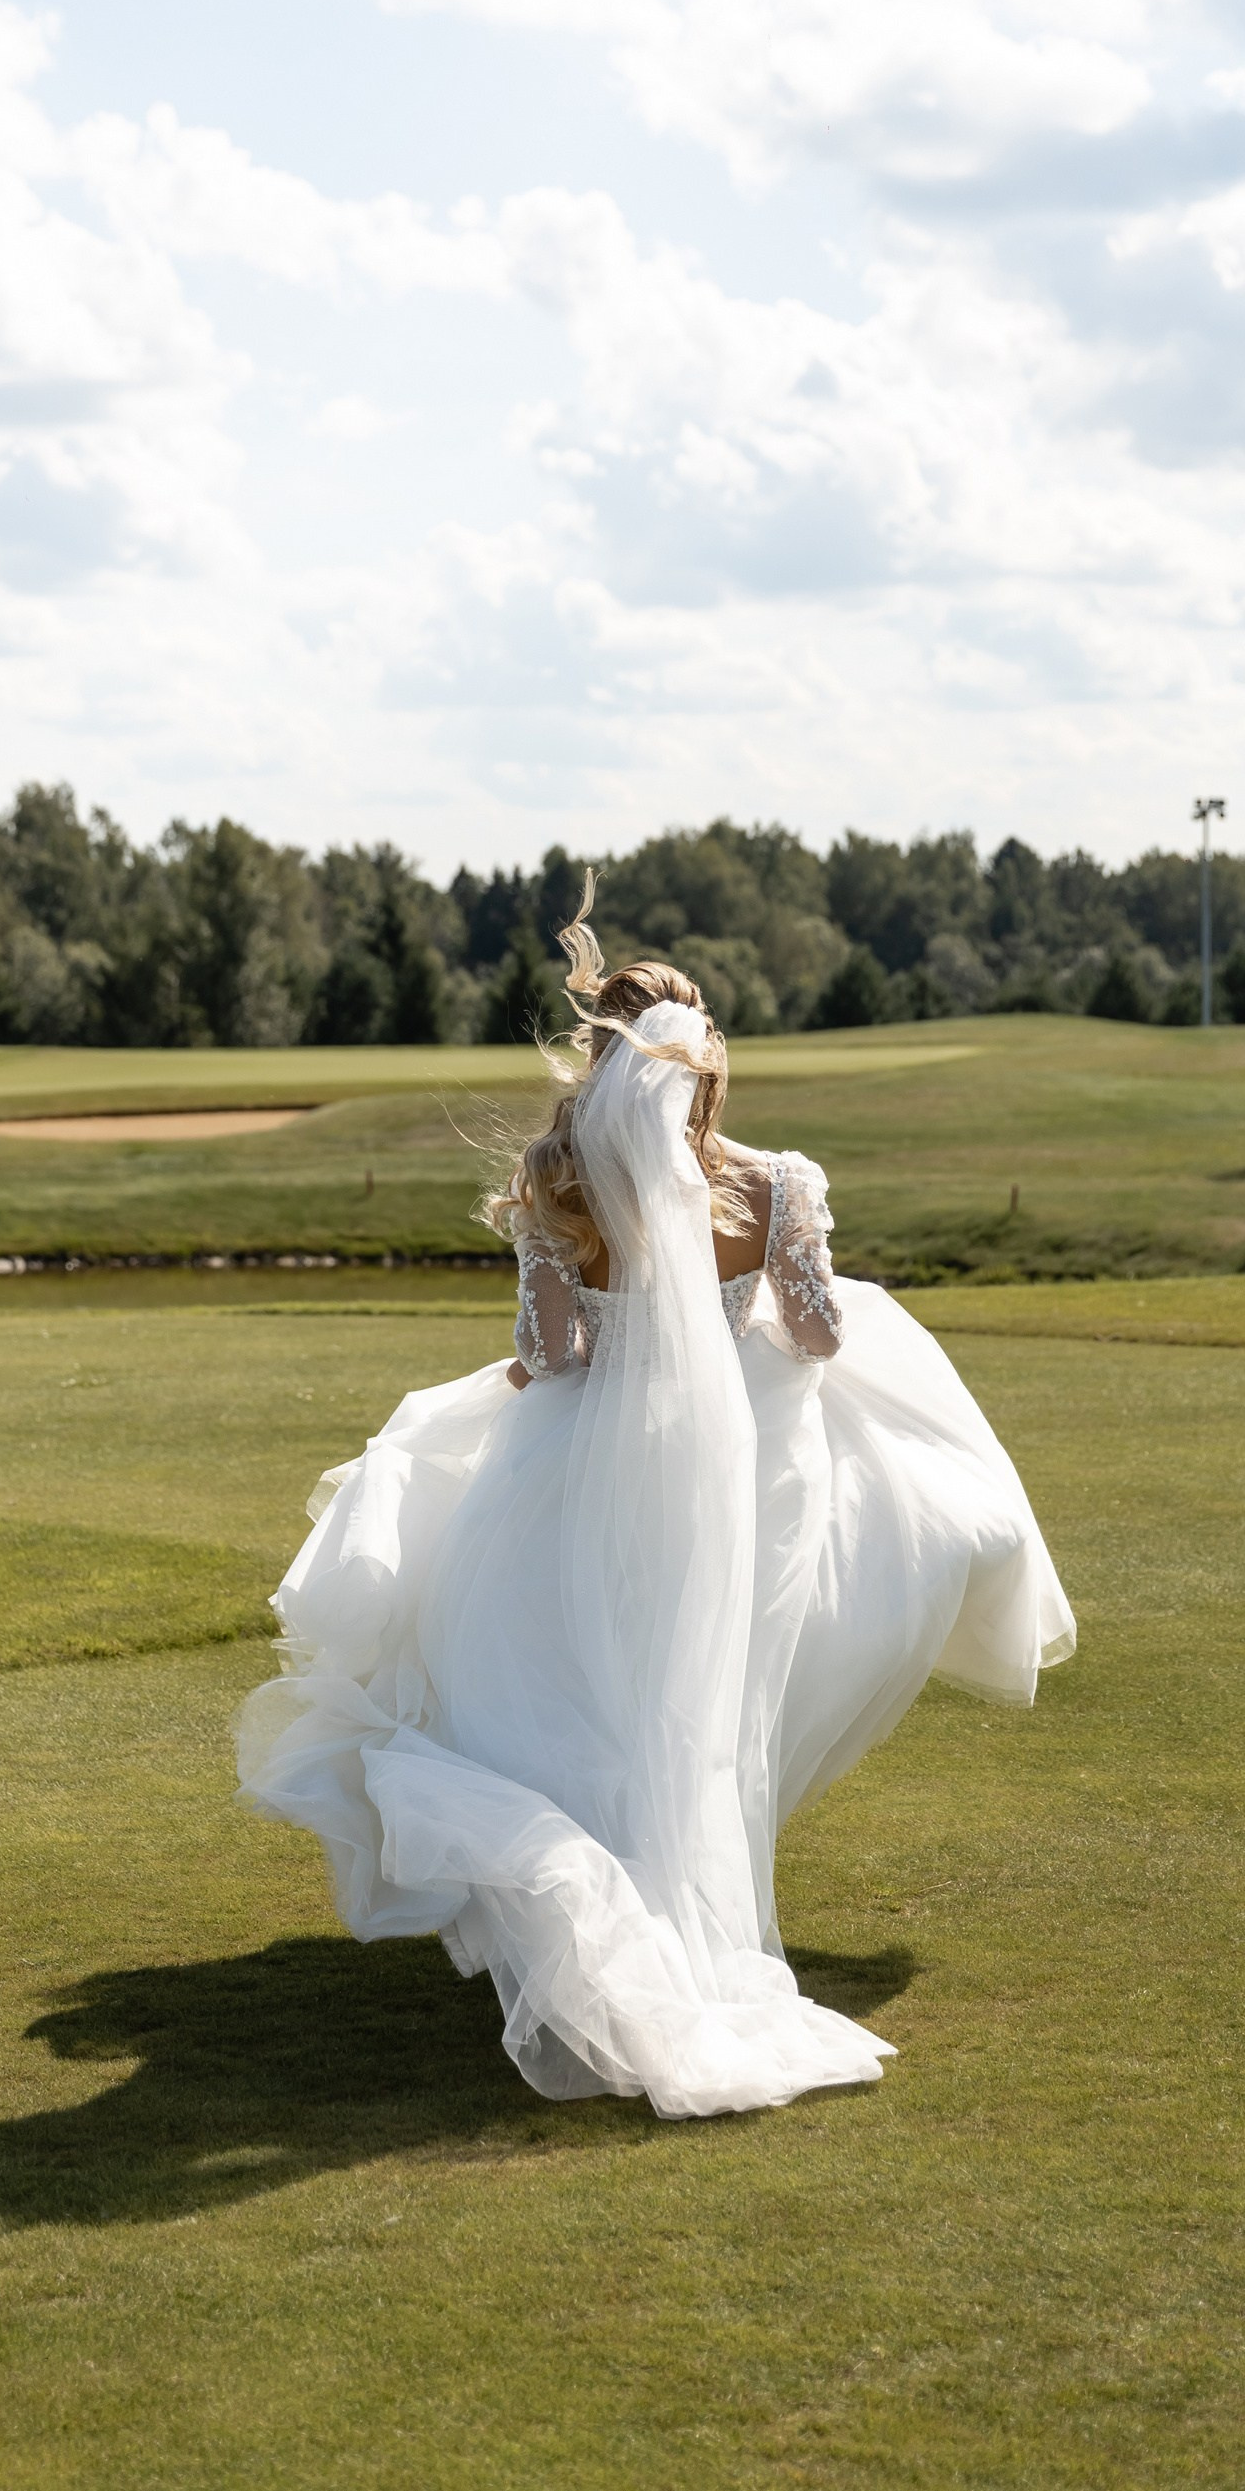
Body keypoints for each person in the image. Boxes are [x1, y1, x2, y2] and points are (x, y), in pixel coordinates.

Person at [237, 888, 1074, 2120]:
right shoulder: (776, 1181)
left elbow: (551, 1356)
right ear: (706, 1061)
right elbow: (822, 1330)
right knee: (713, 1685)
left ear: (601, 1057)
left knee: (579, 1677)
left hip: (582, 1463)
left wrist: (594, 1294)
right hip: (743, 1460)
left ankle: (612, 1893)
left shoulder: (554, 1179)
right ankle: (677, 1894)